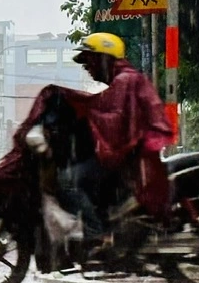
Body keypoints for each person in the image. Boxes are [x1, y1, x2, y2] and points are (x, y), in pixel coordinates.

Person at [69, 32, 176, 236]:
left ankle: (96, 236)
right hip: (132, 155)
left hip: (131, 157)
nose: (88, 69)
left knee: (75, 180)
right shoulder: (124, 80)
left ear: (103, 59)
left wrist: (76, 112)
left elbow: (109, 119)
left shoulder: (124, 81)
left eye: (89, 62)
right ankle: (108, 226)